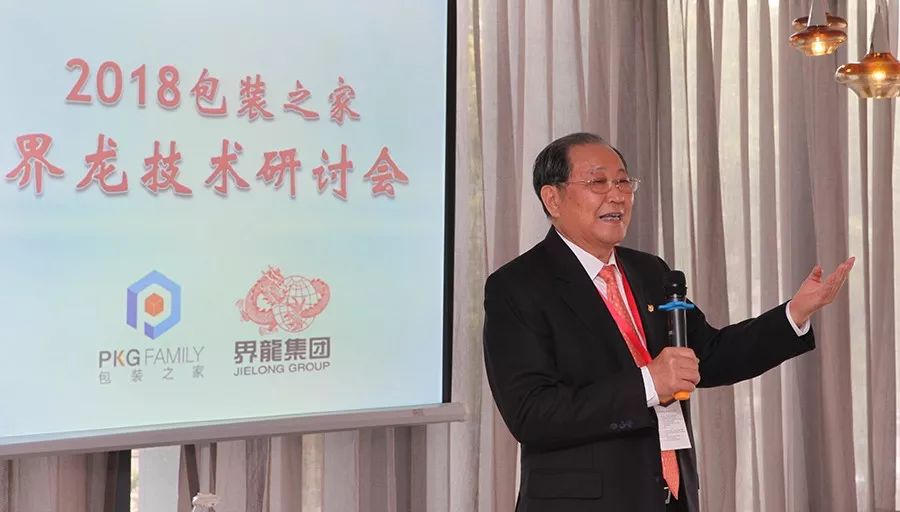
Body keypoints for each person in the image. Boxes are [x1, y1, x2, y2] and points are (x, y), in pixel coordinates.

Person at [482, 132, 854, 512]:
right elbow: (532, 415)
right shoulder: (517, 287)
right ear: (553, 198)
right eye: (598, 182)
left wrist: (795, 313)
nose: (617, 196)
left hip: (670, 498)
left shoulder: (649, 271)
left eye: (623, 182)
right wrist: (649, 383)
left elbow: (710, 355)